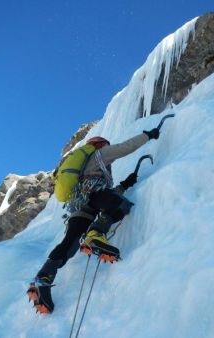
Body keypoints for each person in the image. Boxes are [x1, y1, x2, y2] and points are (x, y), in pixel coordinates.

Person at [27, 127, 160, 313]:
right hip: (93, 196)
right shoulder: (99, 155)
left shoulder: (86, 168)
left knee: (70, 243)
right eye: (106, 145)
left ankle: (43, 279)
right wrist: (148, 135)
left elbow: (105, 194)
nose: (108, 147)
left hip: (80, 206)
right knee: (121, 206)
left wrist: (125, 184)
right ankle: (95, 235)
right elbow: (125, 147)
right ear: (99, 145)